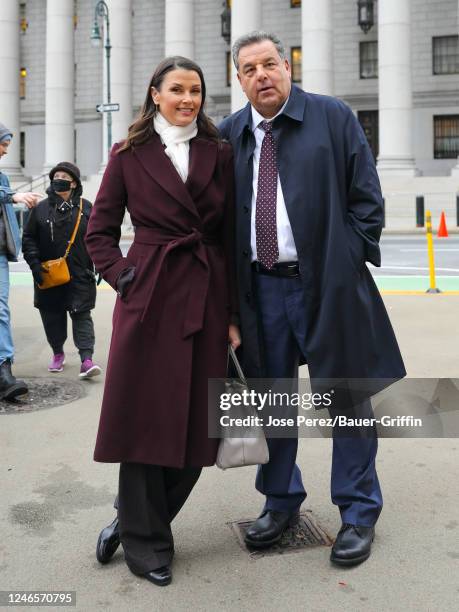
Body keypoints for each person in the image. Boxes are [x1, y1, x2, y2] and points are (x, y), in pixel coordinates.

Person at [218, 32, 406, 566]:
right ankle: (280, 502)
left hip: (327, 284)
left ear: (287, 65)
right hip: (259, 290)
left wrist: (346, 260)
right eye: (250, 68)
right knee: (269, 404)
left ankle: (357, 511)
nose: (262, 75)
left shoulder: (332, 117)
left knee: (346, 401)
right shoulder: (230, 135)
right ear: (240, 79)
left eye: (270, 64)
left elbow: (366, 198)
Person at [85, 56, 239, 587]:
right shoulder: (129, 154)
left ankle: (129, 522)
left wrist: (233, 314)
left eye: (196, 90)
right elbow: (98, 233)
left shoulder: (219, 153)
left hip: (206, 296)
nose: (188, 99)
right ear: (155, 94)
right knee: (146, 426)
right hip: (149, 299)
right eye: (177, 89)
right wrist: (127, 277)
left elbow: (231, 238)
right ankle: (146, 544)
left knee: (201, 430)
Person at [22, 162, 101, 379]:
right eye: (55, 175)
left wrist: (102, 263)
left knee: (82, 315)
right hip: (49, 275)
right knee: (52, 316)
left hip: (80, 274)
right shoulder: (40, 208)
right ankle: (58, 353)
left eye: (64, 176)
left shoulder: (86, 207)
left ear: (73, 182)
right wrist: (35, 266)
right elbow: (28, 239)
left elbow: (98, 238)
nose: (59, 178)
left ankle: (86, 359)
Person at [0, 122, 42, 399]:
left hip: (0, 252)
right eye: (3, 143)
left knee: (1, 309)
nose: (5, 150)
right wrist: (13, 195)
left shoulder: (2, 177)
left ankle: (4, 369)